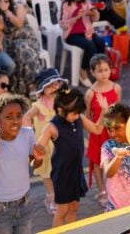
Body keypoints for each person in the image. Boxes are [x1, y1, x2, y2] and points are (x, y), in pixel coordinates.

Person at [35, 87, 107, 227]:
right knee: (62, 210)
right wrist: (37, 151)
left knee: (74, 206)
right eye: (74, 113)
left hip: (76, 170)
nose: (77, 116)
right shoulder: (51, 127)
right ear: (60, 110)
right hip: (62, 173)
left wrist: (104, 111)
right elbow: (39, 145)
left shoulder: (79, 118)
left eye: (79, 113)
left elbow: (97, 129)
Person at [0, 94, 45, 234]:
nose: (15, 121)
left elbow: (34, 163)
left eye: (19, 116)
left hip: (25, 204)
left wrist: (38, 158)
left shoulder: (27, 134)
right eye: (9, 117)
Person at [23, 68, 67, 216]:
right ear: (43, 89)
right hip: (45, 146)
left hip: (60, 143)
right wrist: (27, 128)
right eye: (50, 86)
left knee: (60, 172)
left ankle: (60, 196)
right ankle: (50, 198)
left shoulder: (61, 101)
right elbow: (27, 116)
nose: (54, 88)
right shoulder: (39, 105)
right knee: (47, 173)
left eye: (56, 84)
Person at [85, 54, 122, 207]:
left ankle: (115, 188)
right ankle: (102, 191)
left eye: (106, 70)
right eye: (100, 71)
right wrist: (89, 134)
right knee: (96, 161)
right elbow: (87, 115)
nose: (104, 74)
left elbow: (118, 110)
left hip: (113, 131)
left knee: (115, 159)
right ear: (92, 72)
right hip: (97, 132)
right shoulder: (90, 93)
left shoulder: (116, 88)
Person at [0, 0, 42, 96]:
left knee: (22, 47)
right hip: (11, 43)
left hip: (28, 40)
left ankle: (29, 86)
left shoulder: (18, 7)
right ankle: (31, 85)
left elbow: (19, 24)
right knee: (20, 48)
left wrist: (7, 11)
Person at [59, 0, 106, 87]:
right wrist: (76, 17)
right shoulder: (65, 4)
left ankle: (98, 68)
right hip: (71, 34)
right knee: (90, 45)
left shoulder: (86, 1)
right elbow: (62, 24)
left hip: (87, 31)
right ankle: (83, 70)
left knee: (100, 43)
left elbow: (95, 19)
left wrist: (93, 14)